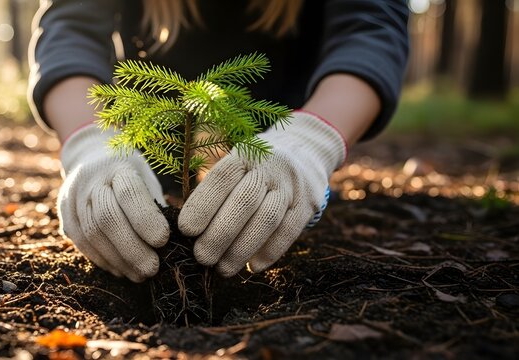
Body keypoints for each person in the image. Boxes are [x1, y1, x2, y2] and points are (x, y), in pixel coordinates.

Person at [28, 0, 409, 283]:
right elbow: (70, 26)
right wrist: (88, 140)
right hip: (150, 149)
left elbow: (371, 27)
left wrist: (314, 137)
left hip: (274, 138)